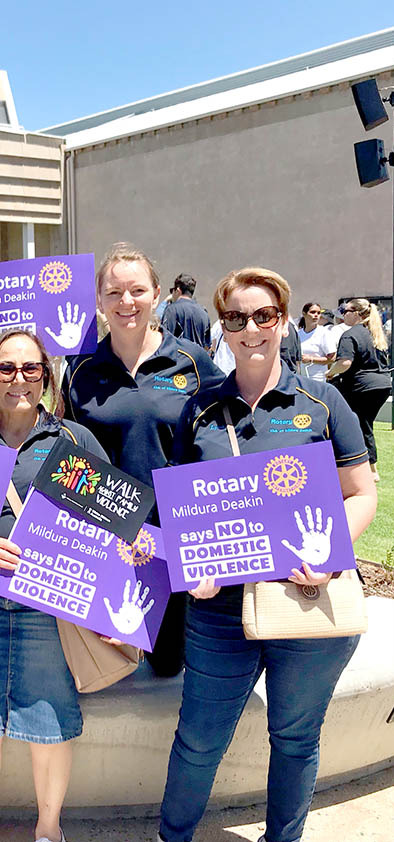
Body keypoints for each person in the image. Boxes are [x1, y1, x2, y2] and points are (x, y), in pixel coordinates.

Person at [157, 267, 377, 842]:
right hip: (218, 609)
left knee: (296, 737)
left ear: (282, 320)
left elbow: (362, 494)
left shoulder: (321, 400)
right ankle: (172, 836)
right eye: (235, 318)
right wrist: (194, 566)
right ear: (222, 329)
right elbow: (188, 507)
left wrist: (331, 554)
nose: (250, 328)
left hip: (305, 598)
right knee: (199, 740)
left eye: (263, 316)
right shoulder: (200, 408)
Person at [0, 328, 106, 842]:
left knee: (50, 721)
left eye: (31, 369)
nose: (19, 379)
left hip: (49, 610)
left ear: (46, 376)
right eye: (6, 369)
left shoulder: (75, 442)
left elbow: (109, 528)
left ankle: (49, 830)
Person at [62, 243, 223, 676]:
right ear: (98, 301)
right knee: (110, 664)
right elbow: (69, 451)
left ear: (156, 294)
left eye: (136, 290)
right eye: (113, 293)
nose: (125, 302)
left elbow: (225, 435)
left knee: (169, 666)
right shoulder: (79, 371)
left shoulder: (192, 361)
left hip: (174, 536)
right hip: (108, 535)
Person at [327, 298, 391, 483]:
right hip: (382, 384)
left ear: (356, 313)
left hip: (361, 387)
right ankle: (369, 468)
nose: (343, 315)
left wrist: (330, 373)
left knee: (361, 426)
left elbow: (345, 362)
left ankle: (371, 470)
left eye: (346, 311)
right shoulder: (375, 334)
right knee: (365, 424)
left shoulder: (350, 334)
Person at [160, 273, 211, 350]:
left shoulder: (171, 309)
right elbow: (207, 346)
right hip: (197, 360)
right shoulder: (204, 312)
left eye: (172, 291)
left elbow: (164, 338)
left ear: (177, 290)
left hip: (179, 359)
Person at [297, 301, 335, 381]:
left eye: (318, 313)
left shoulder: (324, 333)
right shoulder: (298, 334)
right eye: (313, 312)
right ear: (304, 314)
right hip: (300, 379)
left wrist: (311, 359)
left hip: (318, 379)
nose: (316, 315)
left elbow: (332, 358)